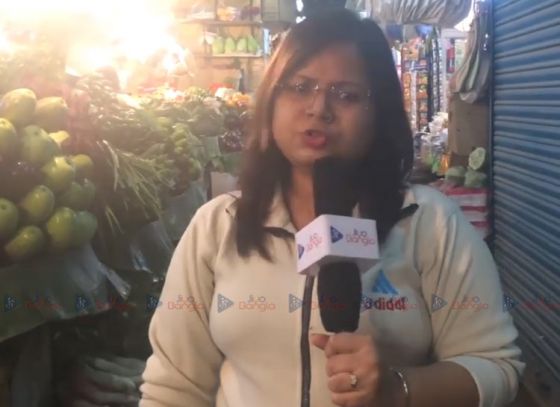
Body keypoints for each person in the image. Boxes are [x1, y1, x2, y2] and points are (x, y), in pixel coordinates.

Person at [140, 9, 524, 407]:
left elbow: (495, 366)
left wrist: (398, 390)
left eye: (347, 95)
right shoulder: (218, 226)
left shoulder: (431, 223)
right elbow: (172, 388)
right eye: (300, 87)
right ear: (272, 99)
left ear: (380, 114)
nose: (319, 109)